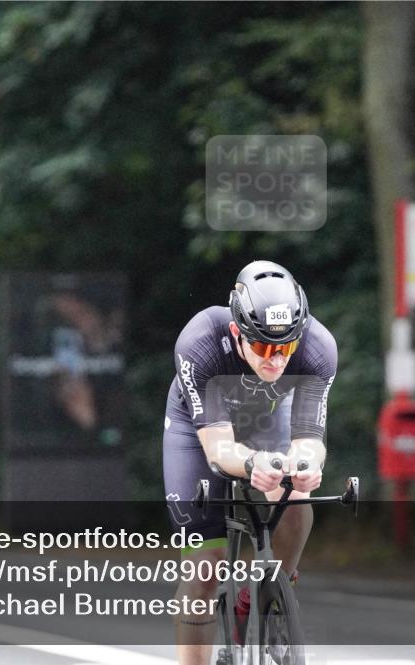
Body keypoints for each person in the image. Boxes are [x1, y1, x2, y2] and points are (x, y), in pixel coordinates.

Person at [163, 260, 337, 665]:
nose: (275, 360)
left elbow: (310, 437)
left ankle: (264, 593)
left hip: (267, 421)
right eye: (262, 347)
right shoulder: (201, 341)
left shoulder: (318, 347)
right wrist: (255, 462)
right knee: (205, 571)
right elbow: (219, 450)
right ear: (238, 333)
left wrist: (306, 465)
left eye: (285, 348)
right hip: (202, 430)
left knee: (294, 497)